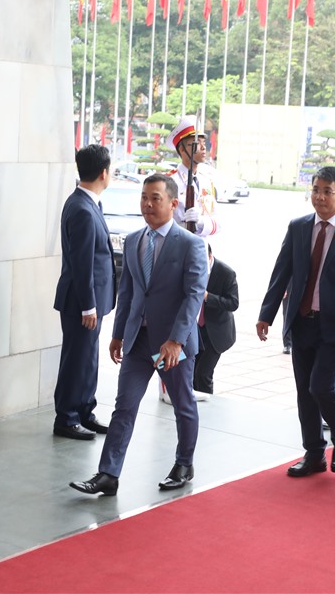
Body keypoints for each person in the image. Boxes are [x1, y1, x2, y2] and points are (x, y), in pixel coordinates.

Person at [69, 174, 208, 496]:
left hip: (170, 345)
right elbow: (128, 292)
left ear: (173, 204)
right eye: (144, 197)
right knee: (125, 406)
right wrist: (117, 334)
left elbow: (193, 295)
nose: (147, 204)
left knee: (182, 403)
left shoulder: (191, 244)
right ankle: (108, 474)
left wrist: (175, 341)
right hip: (138, 341)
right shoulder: (133, 241)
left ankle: (184, 463)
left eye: (155, 198)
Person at [256, 166, 335, 479]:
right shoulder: (298, 227)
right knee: (304, 392)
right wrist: (266, 313)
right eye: (316, 190)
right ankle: (313, 454)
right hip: (302, 321)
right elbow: (281, 272)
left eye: (328, 191)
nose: (320, 197)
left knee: (321, 385)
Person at [52, 144, 116, 441]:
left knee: (88, 358)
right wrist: (88, 306)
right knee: (76, 359)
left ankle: (84, 412)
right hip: (82, 301)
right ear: (104, 172)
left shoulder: (87, 203)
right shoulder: (82, 209)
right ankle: (66, 417)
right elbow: (82, 263)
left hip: (90, 300)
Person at [157, 116, 219, 404]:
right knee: (169, 320)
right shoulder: (170, 181)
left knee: (190, 321)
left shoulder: (206, 180)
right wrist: (179, 217)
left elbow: (216, 222)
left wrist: (202, 222)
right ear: (182, 150)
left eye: (204, 142)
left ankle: (183, 383)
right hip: (173, 257)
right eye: (196, 143)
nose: (203, 147)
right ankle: (165, 385)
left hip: (199, 256)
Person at [193, 244, 239, 395]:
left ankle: (207, 408)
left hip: (216, 332)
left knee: (203, 374)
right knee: (192, 373)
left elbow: (233, 303)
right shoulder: (190, 269)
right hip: (195, 330)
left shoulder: (226, 273)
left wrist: (208, 297)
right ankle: (193, 406)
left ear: (210, 257)